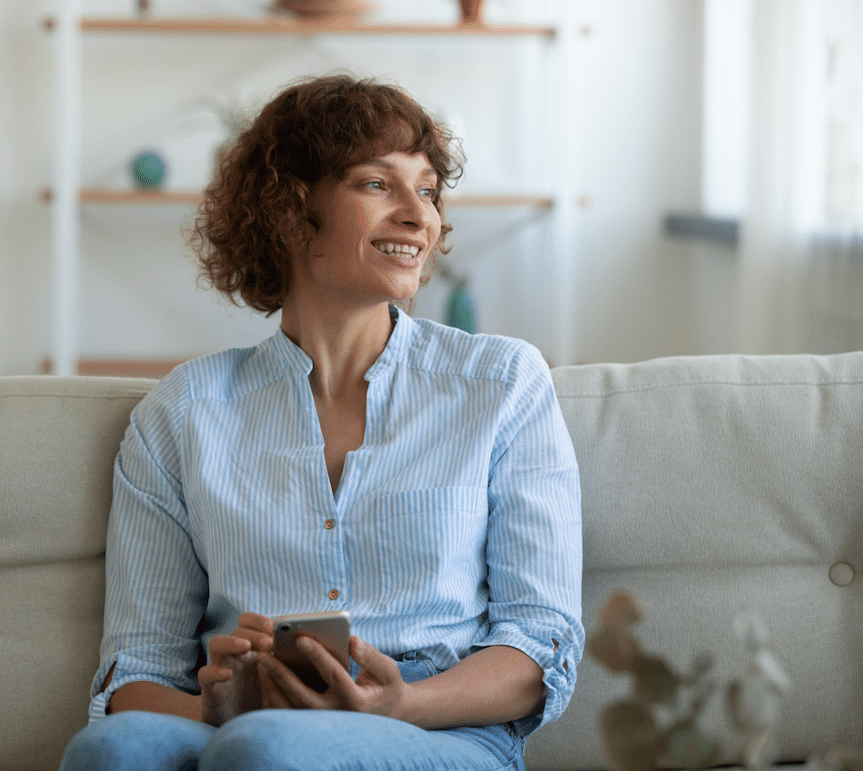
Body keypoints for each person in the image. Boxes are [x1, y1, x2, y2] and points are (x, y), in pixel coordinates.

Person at [59, 74, 583, 771]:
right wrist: (211, 707)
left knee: (265, 747)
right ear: (290, 206)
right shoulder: (182, 413)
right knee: (112, 749)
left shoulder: (501, 384)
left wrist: (399, 703)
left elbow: (540, 645)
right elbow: (134, 675)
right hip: (245, 725)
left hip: (442, 732)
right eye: (377, 184)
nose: (417, 215)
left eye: (425, 189)